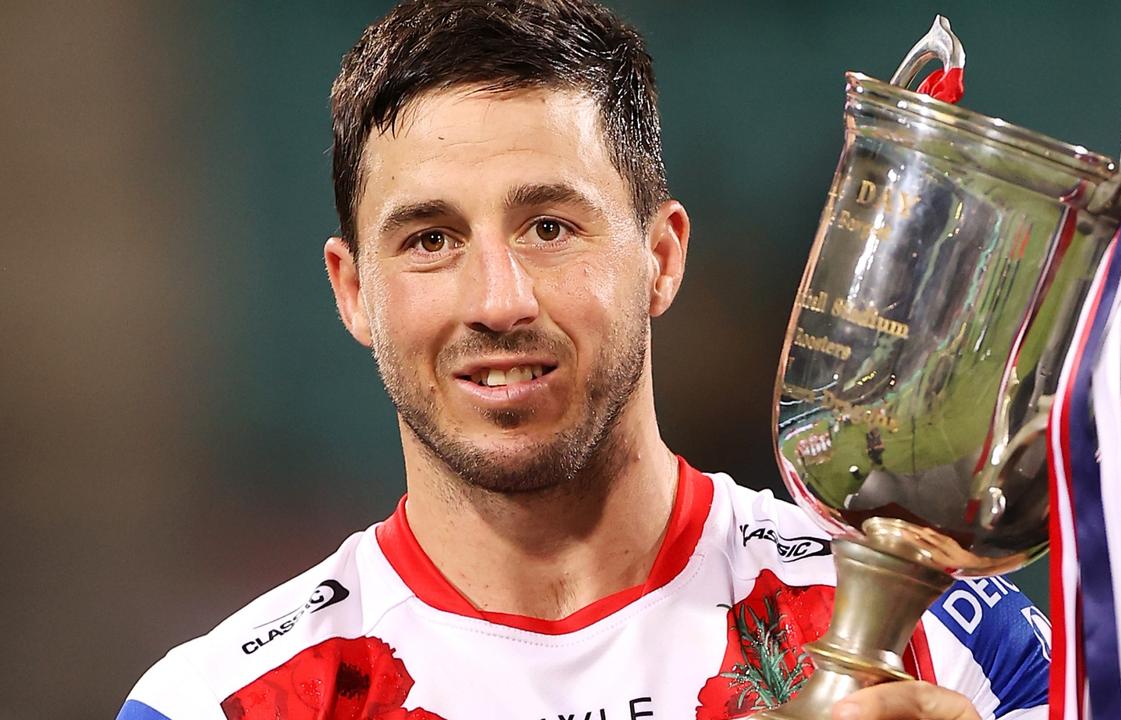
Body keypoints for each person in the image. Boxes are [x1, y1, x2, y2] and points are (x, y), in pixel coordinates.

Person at [118, 2, 1049, 718]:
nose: (498, 300)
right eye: (431, 240)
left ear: (662, 256)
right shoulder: (223, 703)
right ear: (353, 290)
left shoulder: (950, 648)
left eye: (550, 226)